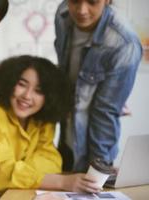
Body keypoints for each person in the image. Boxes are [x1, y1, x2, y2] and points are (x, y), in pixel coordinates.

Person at [0, 55, 100, 193]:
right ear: (9, 82)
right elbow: (2, 174)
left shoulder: (41, 118)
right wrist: (63, 181)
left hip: (27, 192)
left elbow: (51, 160)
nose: (27, 96)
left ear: (50, 97)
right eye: (22, 84)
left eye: (38, 91)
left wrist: (22, 172)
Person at [54, 0, 143, 172]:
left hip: (95, 143)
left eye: (92, 2)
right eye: (74, 1)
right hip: (66, 129)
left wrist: (98, 165)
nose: (81, 10)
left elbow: (105, 110)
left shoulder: (124, 43)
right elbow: (64, 71)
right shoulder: (63, 14)